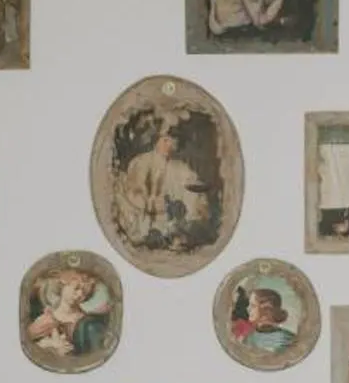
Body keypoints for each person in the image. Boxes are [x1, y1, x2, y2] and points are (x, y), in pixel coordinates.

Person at [116, 116, 209, 249]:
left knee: (193, 197)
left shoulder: (178, 166)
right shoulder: (141, 162)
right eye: (165, 140)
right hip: (147, 214)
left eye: (172, 142)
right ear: (156, 140)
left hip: (175, 215)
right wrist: (158, 204)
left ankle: (179, 234)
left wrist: (187, 197)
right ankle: (158, 235)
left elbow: (191, 182)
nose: (169, 145)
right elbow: (134, 192)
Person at [231, 282, 296, 357]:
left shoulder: (287, 340)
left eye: (253, 305)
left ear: (266, 309)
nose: (248, 309)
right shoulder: (247, 338)